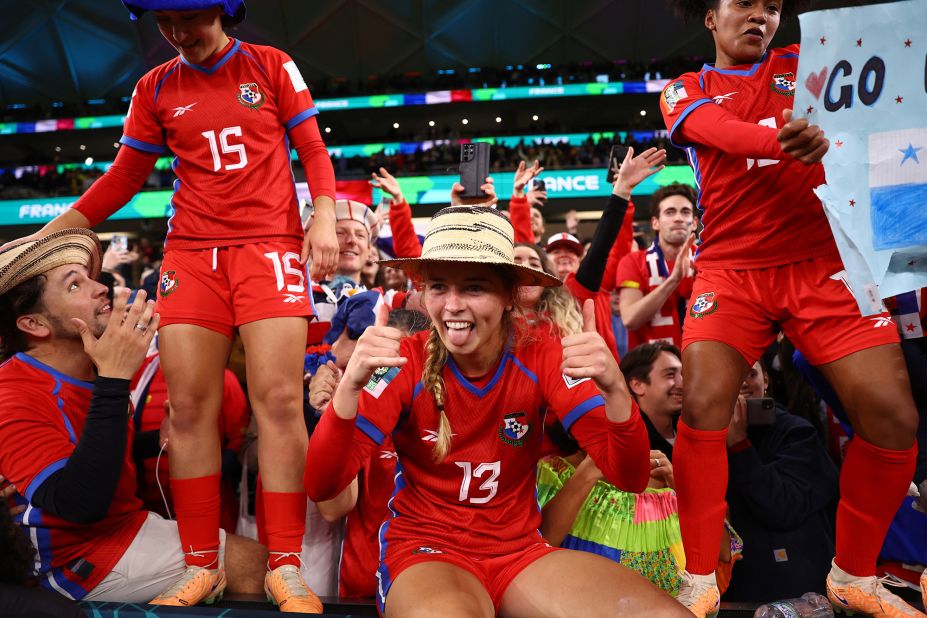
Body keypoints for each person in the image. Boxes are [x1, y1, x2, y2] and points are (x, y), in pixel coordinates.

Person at [20, 1, 340, 610]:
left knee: (277, 401)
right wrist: (48, 237)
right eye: (164, 23)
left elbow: (314, 151)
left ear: (222, 10)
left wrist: (323, 214)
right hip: (190, 253)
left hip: (268, 244)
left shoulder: (272, 66)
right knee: (190, 407)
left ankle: (288, 565)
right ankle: (201, 564)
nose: (176, 33)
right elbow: (123, 176)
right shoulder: (153, 87)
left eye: (187, 19)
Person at [661, 2, 922, 616]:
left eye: (771, 7)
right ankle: (699, 575)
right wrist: (783, 141)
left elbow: (888, 104)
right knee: (702, 405)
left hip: (824, 265)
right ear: (710, 17)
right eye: (743, 5)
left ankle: (853, 574)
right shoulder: (686, 88)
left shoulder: (812, 65)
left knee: (894, 419)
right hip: (733, 270)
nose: (759, 17)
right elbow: (718, 134)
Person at [304, 205, 687, 617]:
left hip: (519, 551)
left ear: (510, 295)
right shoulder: (401, 361)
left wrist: (615, 391)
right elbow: (323, 486)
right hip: (424, 551)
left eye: (473, 288)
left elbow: (628, 477)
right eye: (438, 287)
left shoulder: (542, 355)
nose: (452, 305)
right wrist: (348, 392)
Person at [0, 230, 267, 604]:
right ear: (34, 325)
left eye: (90, 276)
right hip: (73, 562)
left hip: (120, 528)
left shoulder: (86, 366)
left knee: (244, 556)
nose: (101, 288)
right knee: (250, 564)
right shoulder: (12, 396)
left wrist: (149, 440)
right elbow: (79, 504)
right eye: (75, 286)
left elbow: (83, 448)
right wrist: (113, 381)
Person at [723, 360, 839, 603]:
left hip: (795, 593)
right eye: (732, 375)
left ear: (766, 380)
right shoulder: (703, 437)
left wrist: (739, 446)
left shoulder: (797, 434)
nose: (742, 382)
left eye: (750, 374)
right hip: (734, 588)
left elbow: (782, 507)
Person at [616, 183, 696, 349]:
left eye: (685, 212)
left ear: (694, 223)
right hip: (650, 368)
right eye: (670, 212)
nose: (679, 218)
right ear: (655, 223)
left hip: (702, 364)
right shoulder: (632, 262)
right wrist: (673, 280)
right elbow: (630, 319)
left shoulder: (709, 262)